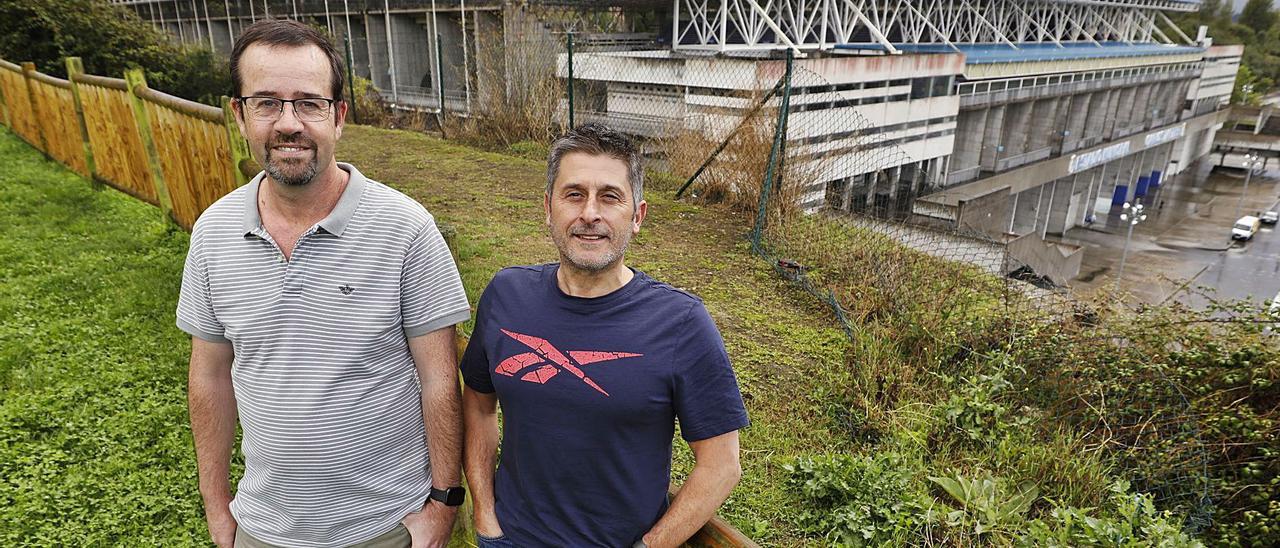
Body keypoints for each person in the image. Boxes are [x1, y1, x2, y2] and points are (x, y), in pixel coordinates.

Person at [177, 19, 470, 548]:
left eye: (308, 103)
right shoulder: (213, 231)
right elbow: (210, 378)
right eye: (266, 103)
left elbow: (440, 379)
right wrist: (216, 505)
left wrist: (445, 502)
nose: (288, 123)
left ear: (338, 117)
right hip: (263, 527)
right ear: (240, 115)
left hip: (388, 528)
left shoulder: (405, 228)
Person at [460, 124, 749, 547]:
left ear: (637, 216)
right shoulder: (506, 295)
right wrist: (486, 515)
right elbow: (478, 403)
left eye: (610, 197)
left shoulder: (681, 323)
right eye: (574, 194)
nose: (590, 213)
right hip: (509, 537)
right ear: (548, 208)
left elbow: (722, 463)